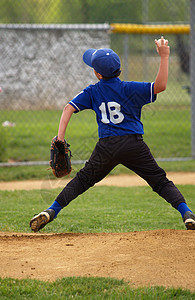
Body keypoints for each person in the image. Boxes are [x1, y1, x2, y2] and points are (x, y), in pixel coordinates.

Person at [30, 37, 195, 232]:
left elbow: (68, 108)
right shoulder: (130, 88)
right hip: (134, 145)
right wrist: (165, 57)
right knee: (159, 181)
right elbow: (160, 86)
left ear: (98, 74)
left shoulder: (93, 91)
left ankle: (51, 211)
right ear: (119, 69)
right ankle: (187, 214)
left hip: (106, 147)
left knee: (82, 181)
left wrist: (60, 138)